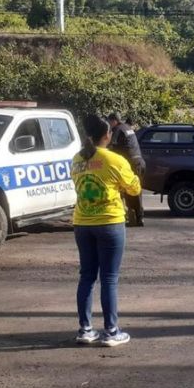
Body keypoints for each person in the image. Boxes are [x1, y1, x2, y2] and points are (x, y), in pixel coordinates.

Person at [72, 114, 141, 347]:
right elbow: (134, 189)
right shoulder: (114, 160)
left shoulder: (76, 159)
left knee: (87, 277)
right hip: (109, 223)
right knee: (109, 279)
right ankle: (111, 332)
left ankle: (85, 329)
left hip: (82, 223)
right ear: (107, 135)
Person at [107, 113, 146, 226]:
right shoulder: (128, 128)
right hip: (140, 162)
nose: (109, 125)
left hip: (131, 163)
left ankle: (131, 216)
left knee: (127, 189)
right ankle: (139, 217)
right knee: (136, 190)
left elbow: (110, 146)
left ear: (114, 121)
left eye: (109, 122)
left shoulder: (117, 129)